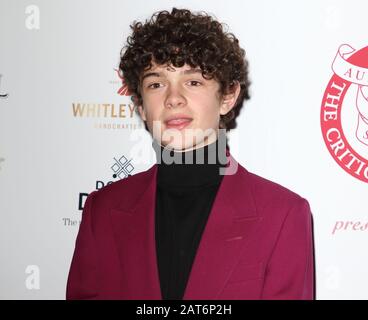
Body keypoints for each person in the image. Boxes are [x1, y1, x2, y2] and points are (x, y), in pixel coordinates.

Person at [66, 7, 315, 300]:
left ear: (227, 96)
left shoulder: (283, 215)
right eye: (156, 84)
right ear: (142, 106)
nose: (173, 99)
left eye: (193, 81)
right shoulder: (102, 211)